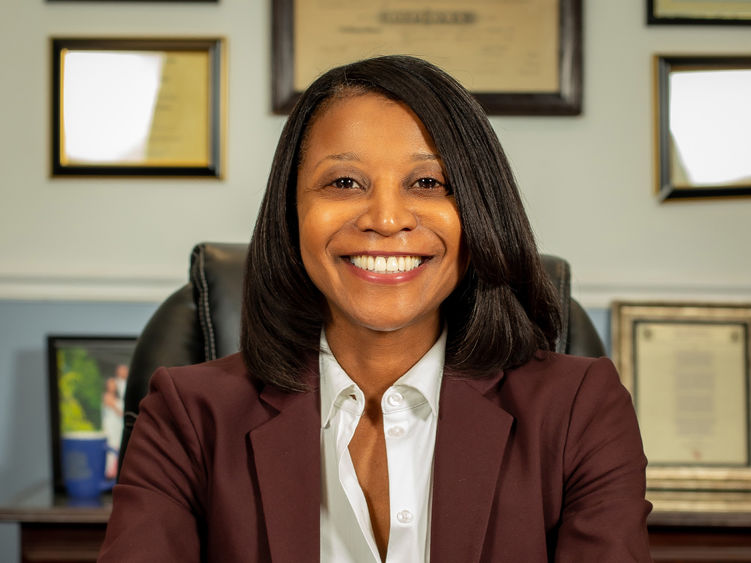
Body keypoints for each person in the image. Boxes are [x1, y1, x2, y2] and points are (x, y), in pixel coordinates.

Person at [99, 55, 652, 562]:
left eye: (428, 182)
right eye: (344, 182)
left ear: (478, 212)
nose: (386, 219)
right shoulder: (187, 416)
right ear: (291, 215)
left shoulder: (581, 410)